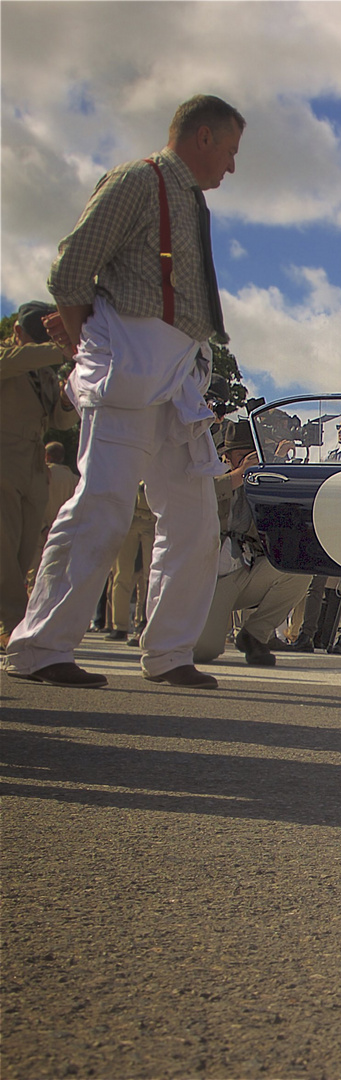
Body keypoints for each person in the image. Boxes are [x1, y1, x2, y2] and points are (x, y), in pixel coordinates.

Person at [5, 94, 245, 690]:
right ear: (205, 137)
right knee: (104, 503)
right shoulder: (140, 181)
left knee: (192, 520)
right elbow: (71, 267)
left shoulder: (189, 199)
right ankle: (40, 648)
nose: (232, 168)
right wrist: (94, 336)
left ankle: (169, 653)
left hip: (178, 372)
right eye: (231, 151)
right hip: (131, 366)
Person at [194, 421, 312, 666]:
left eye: (254, 453)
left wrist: (273, 468)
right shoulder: (208, 472)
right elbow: (195, 495)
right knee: (204, 650)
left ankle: (255, 636)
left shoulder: (261, 479)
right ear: (226, 455)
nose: (251, 459)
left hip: (244, 570)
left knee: (298, 572)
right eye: (243, 454)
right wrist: (238, 475)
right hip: (208, 579)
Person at [2, 302, 78, 644]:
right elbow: (23, 359)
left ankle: (13, 624)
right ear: (18, 333)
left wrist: (65, 401)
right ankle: (16, 626)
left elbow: (60, 422)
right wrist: (64, 347)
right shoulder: (8, 358)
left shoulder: (46, 374)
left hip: (34, 467)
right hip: (4, 460)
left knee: (27, 550)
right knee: (5, 551)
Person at [105, 485, 155, 642]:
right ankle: (119, 626)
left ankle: (145, 624)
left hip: (153, 518)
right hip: (128, 517)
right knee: (121, 574)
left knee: (151, 576)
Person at [44, 443, 78, 530]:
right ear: (62, 458)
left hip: (40, 533)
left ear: (47, 456)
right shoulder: (75, 480)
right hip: (63, 531)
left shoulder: (40, 475)